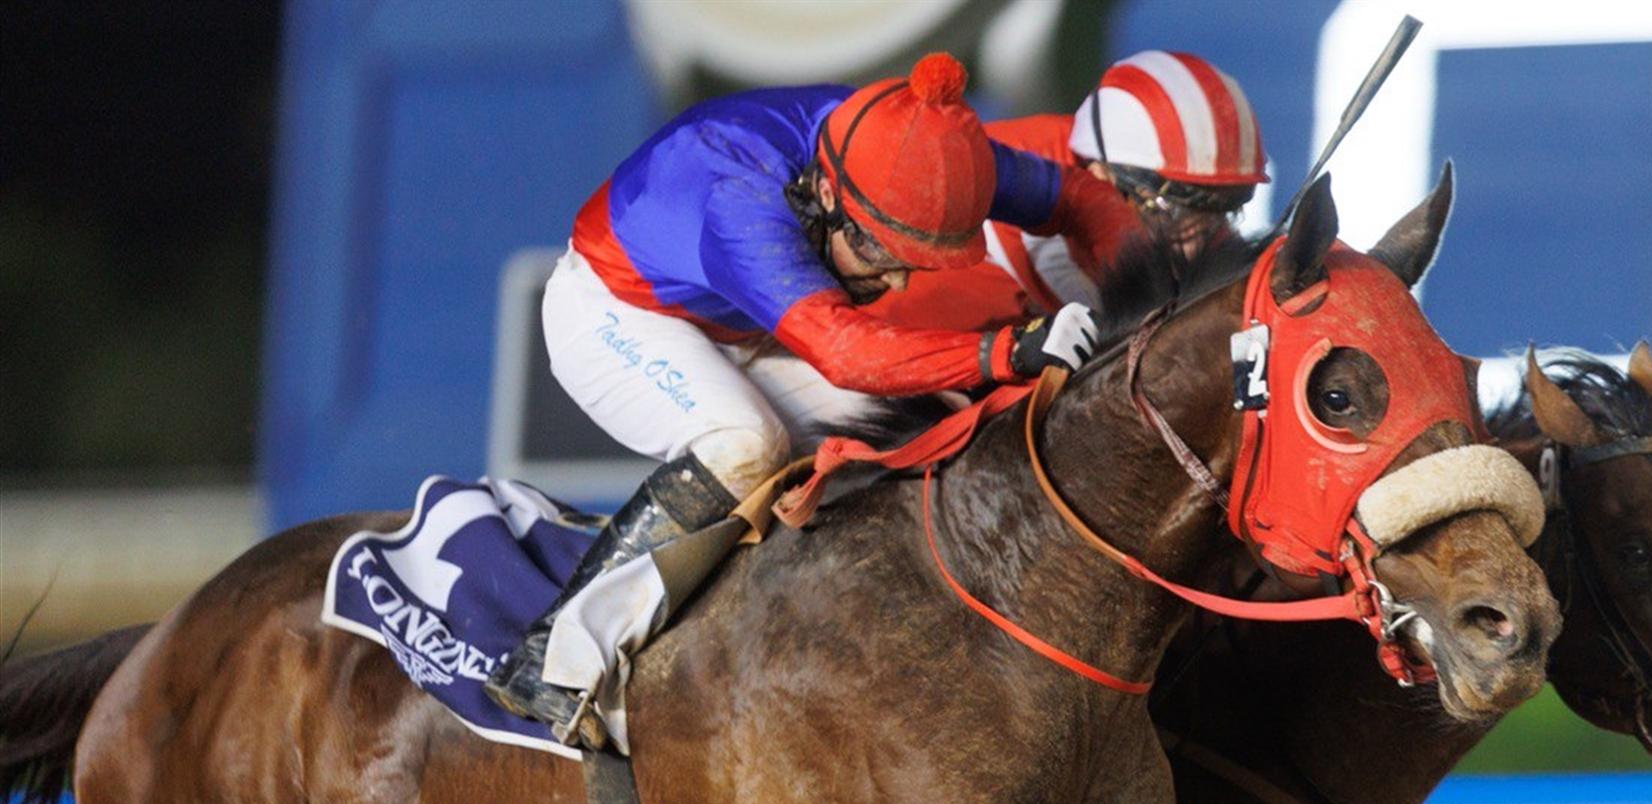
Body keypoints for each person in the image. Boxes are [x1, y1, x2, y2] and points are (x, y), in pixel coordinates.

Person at [486, 53, 1140, 731]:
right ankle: (552, 658)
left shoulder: (918, 150)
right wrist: (1005, 351)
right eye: (882, 256)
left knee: (914, 431)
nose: (899, 284)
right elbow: (847, 353)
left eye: (918, 263)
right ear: (827, 195)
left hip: (741, 319)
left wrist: (1143, 295)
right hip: (614, 310)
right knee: (745, 443)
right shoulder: (738, 201)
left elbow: (1080, 197)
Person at [873, 50, 1267, 332]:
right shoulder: (981, 199)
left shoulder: (1153, 196)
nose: (1201, 243)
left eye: (1224, 211)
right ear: (1099, 176)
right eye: (1172, 212)